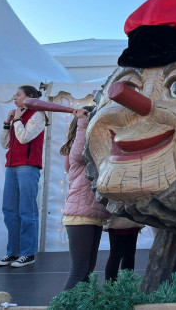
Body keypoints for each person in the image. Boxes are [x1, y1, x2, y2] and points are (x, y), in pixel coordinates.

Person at [0, 85, 48, 268]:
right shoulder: (18, 116)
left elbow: (25, 137)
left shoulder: (38, 115)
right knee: (9, 210)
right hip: (11, 166)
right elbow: (5, 143)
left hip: (27, 167)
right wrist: (7, 122)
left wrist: (17, 120)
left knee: (27, 211)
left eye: (18, 94)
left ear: (30, 97)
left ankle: (28, 253)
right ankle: (13, 252)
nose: (14, 97)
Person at [61, 107, 109, 290]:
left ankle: (80, 304)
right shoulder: (78, 147)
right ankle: (64, 305)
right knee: (79, 270)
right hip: (79, 215)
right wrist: (83, 122)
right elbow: (80, 154)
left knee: (88, 269)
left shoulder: (94, 148)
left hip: (92, 214)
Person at [104, 216, 144, 282]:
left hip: (125, 223)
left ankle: (112, 286)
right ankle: (122, 285)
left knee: (121, 256)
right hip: (126, 221)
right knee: (123, 256)